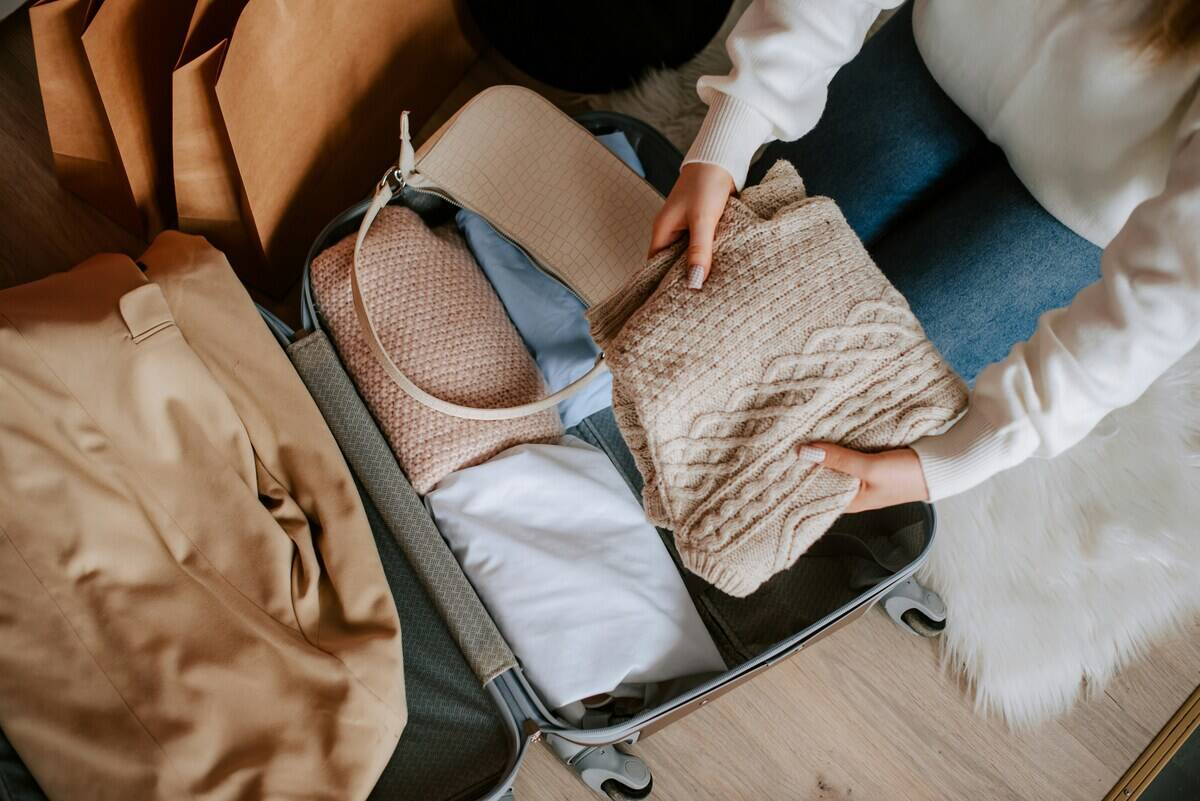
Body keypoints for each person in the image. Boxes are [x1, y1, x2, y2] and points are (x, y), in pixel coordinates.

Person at [651, 0, 1200, 512]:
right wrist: (738, 119)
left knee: (832, 411)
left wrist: (977, 447)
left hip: (1091, 205)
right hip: (950, 53)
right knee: (739, 284)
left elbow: (1175, 292)